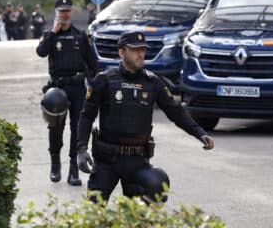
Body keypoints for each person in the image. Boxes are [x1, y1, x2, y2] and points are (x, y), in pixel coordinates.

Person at [76, 31, 215, 203]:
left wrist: (200, 133)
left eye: (142, 49)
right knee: (94, 212)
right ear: (122, 53)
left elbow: (176, 112)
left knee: (139, 216)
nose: (141, 54)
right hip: (106, 160)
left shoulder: (153, 83)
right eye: (135, 50)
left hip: (137, 161)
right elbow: (87, 116)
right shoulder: (104, 80)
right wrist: (81, 149)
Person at [36, 0, 99, 186]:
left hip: (77, 88)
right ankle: (55, 164)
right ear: (56, 13)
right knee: (55, 129)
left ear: (71, 12)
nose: (64, 14)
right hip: (57, 89)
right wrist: (53, 32)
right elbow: (41, 52)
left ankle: (74, 169)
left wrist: (95, 84)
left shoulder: (80, 35)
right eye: (61, 11)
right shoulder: (49, 35)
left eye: (67, 11)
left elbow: (92, 63)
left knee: (77, 129)